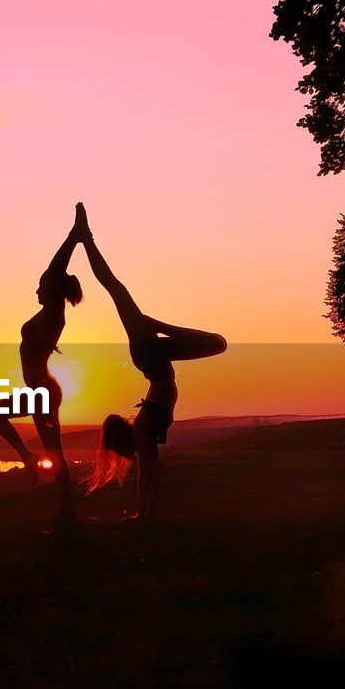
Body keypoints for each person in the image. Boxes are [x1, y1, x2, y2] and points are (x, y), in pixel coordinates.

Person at [76, 205, 227, 520]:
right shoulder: (142, 430)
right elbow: (150, 474)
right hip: (153, 360)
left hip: (153, 361)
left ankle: (85, 237)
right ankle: (85, 237)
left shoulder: (142, 429)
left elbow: (149, 474)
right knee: (218, 344)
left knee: (116, 289)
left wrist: (143, 515)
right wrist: (158, 326)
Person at [0, 205, 87, 524]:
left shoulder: (55, 313)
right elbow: (51, 277)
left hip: (44, 390)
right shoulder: (47, 315)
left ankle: (67, 512)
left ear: (53, 290)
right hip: (38, 389)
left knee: (55, 452)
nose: (37, 289)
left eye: (42, 286)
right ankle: (28, 458)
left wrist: (74, 235)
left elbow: (54, 272)